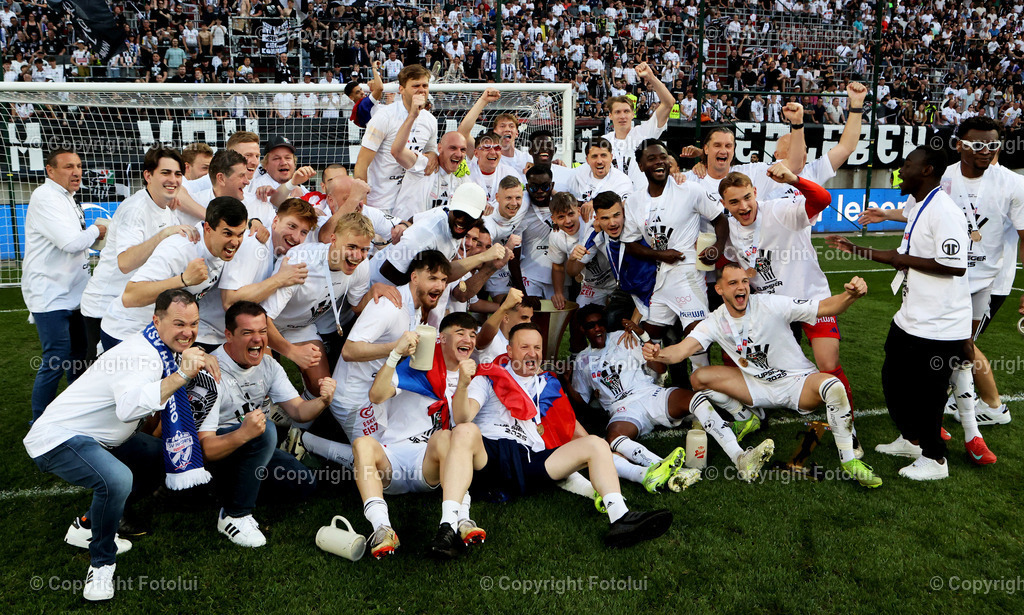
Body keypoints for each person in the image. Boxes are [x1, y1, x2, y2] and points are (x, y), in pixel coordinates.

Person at [24, 290, 220, 601]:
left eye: (194, 323)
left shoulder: (159, 347)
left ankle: (87, 525)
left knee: (159, 455)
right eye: (179, 323)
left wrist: (197, 358)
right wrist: (183, 374)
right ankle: (101, 565)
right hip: (59, 437)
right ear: (156, 321)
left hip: (100, 436)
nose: (188, 332)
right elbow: (128, 410)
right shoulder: (140, 356)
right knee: (117, 479)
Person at [832, 146, 995, 479]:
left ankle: (935, 460)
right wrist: (856, 248)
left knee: (927, 395)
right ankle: (911, 439)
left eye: (907, 165)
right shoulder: (920, 205)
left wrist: (901, 260)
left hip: (939, 326)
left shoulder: (944, 211)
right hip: (911, 317)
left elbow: (955, 266)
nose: (901, 171)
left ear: (927, 170)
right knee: (893, 380)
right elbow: (901, 252)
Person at [643, 265, 883, 488]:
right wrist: (658, 354)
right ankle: (746, 418)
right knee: (699, 378)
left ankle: (849, 461)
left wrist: (850, 295)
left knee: (833, 386)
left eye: (744, 282)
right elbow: (681, 350)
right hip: (756, 386)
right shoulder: (714, 321)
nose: (741, 287)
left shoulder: (770, 303)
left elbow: (825, 307)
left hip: (796, 383)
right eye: (733, 283)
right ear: (719, 289)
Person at [444, 323, 674, 553]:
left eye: (537, 347)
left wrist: (606, 454)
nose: (532, 353)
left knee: (596, 444)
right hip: (490, 454)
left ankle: (620, 518)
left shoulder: (547, 383)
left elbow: (569, 425)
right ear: (510, 350)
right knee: (464, 430)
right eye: (524, 347)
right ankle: (448, 525)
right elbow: (463, 417)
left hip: (529, 460)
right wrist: (463, 385)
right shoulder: (489, 377)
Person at [860, 117, 1023, 428]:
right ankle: (961, 409)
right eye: (978, 144)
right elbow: (916, 210)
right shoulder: (943, 175)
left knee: (961, 347)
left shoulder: (1013, 184)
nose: (986, 150)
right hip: (948, 280)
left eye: (992, 145)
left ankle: (989, 407)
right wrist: (885, 214)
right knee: (956, 347)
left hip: (988, 281)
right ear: (959, 145)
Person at [570, 305, 774, 485]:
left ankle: (739, 457)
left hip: (649, 393)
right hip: (622, 409)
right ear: (582, 329)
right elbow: (581, 401)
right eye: (590, 325)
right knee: (613, 439)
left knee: (696, 399)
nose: (598, 328)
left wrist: (644, 338)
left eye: (600, 323)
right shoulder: (582, 360)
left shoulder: (622, 339)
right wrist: (564, 381)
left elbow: (659, 368)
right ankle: (667, 468)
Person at [200, 301, 336, 547]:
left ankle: (229, 488)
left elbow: (298, 411)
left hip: (252, 446)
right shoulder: (211, 371)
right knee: (265, 431)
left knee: (302, 482)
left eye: (262, 331)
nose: (258, 339)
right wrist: (244, 434)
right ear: (228, 335)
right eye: (247, 332)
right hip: (217, 455)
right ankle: (234, 514)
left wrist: (323, 401)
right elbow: (206, 449)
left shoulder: (269, 365)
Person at [356, 313, 486, 558]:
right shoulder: (418, 366)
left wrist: (463, 384)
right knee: (362, 444)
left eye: (472, 335)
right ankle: (382, 528)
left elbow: (463, 420)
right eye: (460, 333)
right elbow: (376, 395)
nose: (468, 339)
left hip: (428, 463)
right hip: (392, 458)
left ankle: (459, 520)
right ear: (442, 338)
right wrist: (396, 354)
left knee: (446, 436)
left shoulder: (473, 375)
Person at [263, 213, 397, 398]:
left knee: (322, 389)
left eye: (364, 249)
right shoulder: (301, 262)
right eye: (351, 247)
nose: (357, 256)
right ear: (333, 239)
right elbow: (262, 318)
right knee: (264, 385)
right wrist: (292, 352)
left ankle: (299, 413)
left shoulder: (361, 265)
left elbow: (356, 306)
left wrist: (374, 290)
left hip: (300, 326)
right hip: (266, 324)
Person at [81, 147, 198, 359]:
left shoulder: (164, 208)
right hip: (105, 307)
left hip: (132, 309)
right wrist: (163, 234)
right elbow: (125, 262)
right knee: (102, 375)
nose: (173, 180)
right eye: (165, 173)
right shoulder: (135, 210)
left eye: (178, 174)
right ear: (148, 175)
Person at [325, 250, 451, 444]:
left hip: (379, 391)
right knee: (379, 456)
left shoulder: (415, 308)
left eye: (443, 280)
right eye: (433, 278)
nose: (440, 286)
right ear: (415, 278)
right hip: (354, 397)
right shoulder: (388, 307)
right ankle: (307, 442)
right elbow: (349, 351)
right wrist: (395, 348)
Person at [623, 140, 729, 367]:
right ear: (641, 166)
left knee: (696, 336)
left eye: (663, 157)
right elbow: (630, 244)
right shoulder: (634, 201)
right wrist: (661, 255)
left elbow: (720, 219)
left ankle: (703, 381)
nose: (659, 162)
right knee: (650, 336)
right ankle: (653, 380)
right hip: (659, 277)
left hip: (688, 273)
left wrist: (717, 248)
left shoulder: (689, 190)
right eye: (651, 158)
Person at [23, 149, 108, 420]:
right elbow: (70, 243)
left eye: (79, 166)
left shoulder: (67, 197)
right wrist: (97, 230)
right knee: (56, 358)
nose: (76, 172)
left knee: (80, 356)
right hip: (49, 293)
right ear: (50, 170)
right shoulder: (45, 197)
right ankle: (38, 421)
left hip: (75, 292)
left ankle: (76, 415)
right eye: (68, 166)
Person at [100, 197, 248, 349]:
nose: (235, 242)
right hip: (127, 330)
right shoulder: (179, 249)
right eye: (227, 234)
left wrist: (257, 223)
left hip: (162, 333)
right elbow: (129, 297)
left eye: (240, 234)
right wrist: (183, 280)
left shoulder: (223, 250)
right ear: (208, 229)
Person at [370, 183, 501, 286]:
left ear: (480, 216)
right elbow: (388, 270)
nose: (461, 220)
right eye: (458, 213)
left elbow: (413, 220)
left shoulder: (445, 213)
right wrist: (422, 287)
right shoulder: (425, 234)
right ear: (452, 206)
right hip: (378, 287)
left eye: (469, 216)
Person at [355, 64, 437, 214]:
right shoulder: (384, 116)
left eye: (425, 85)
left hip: (411, 204)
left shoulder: (431, 120)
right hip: (380, 203)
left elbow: (430, 149)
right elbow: (362, 163)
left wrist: (433, 155)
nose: (422, 90)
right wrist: (362, 203)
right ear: (401, 89)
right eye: (416, 86)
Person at [391, 93, 471, 220]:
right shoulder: (424, 163)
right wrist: (412, 116)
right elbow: (397, 152)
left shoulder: (460, 178)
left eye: (463, 150)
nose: (458, 153)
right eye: (453, 148)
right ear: (440, 148)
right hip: (407, 228)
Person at [602, 61, 675, 191]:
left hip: (641, 198)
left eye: (626, 111)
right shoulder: (604, 141)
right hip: (612, 199)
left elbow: (669, 103)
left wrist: (651, 77)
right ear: (610, 115)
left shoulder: (644, 132)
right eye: (617, 112)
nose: (622, 116)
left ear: (633, 114)